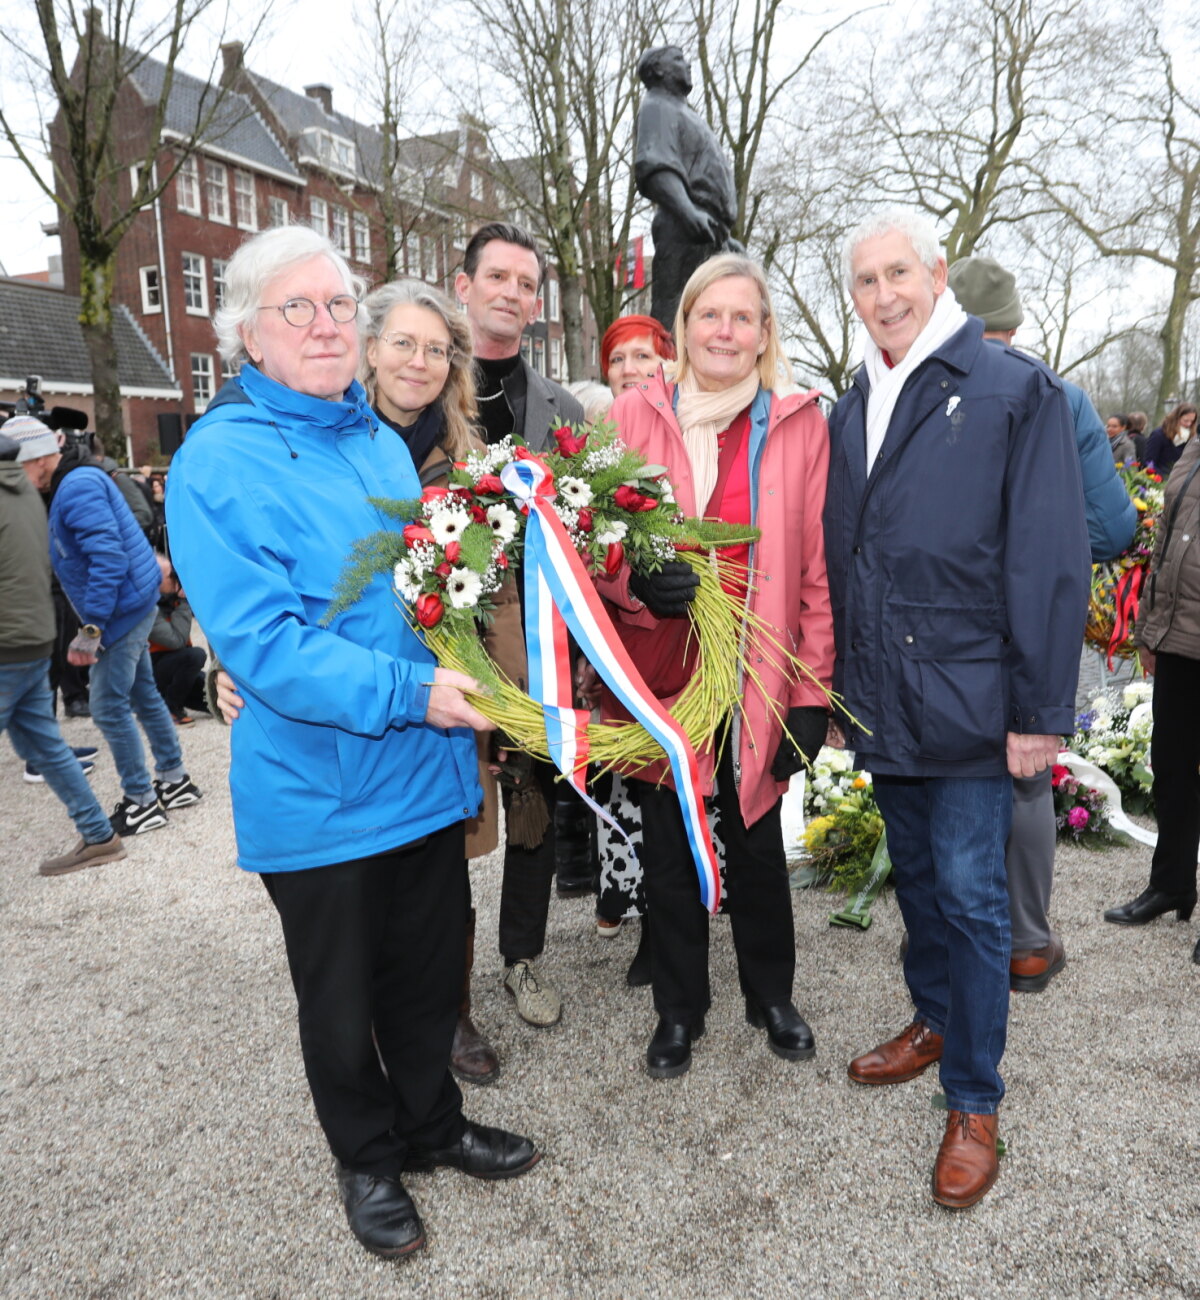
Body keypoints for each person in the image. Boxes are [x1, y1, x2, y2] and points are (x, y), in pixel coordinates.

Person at [165, 226, 540, 1261]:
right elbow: (269, 646)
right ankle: (367, 1157)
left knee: (426, 973)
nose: (328, 326)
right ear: (247, 331)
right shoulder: (214, 462)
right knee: (340, 999)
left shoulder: (374, 437)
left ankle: (431, 1124)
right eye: (301, 309)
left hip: (420, 777)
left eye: (339, 306)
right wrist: (418, 694)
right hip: (321, 792)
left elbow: (421, 589)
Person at [825, 212, 1089, 1209]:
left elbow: (1049, 554)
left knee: (978, 901)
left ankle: (974, 1097)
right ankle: (933, 1017)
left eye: (898, 272)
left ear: (938, 276)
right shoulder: (856, 403)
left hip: (978, 701)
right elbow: (852, 558)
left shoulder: (1015, 391)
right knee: (926, 883)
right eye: (864, 280)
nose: (883, 293)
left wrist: (1039, 708)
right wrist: (848, 693)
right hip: (889, 702)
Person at [600, 252, 835, 1079]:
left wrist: (811, 693)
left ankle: (771, 995)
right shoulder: (631, 417)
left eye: (744, 318)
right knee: (667, 845)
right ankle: (678, 1009)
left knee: (757, 836)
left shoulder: (801, 423)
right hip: (662, 672)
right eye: (711, 315)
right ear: (685, 328)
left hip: (759, 675)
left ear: (764, 333)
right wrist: (635, 585)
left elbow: (814, 571)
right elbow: (595, 545)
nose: (726, 331)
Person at [948, 255, 1137, 994]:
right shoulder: (1061, 395)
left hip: (949, 621)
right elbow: (1114, 525)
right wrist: (1041, 551)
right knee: (1027, 778)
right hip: (1030, 620)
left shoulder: (930, 392)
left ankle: (960, 940)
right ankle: (1026, 943)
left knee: (950, 773)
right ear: (1017, 323)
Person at [454, 222, 585, 1030]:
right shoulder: (418, 386)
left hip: (535, 631)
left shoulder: (561, 408)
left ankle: (522, 957)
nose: (511, 292)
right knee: (448, 813)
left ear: (537, 304)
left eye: (526, 283)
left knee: (533, 804)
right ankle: (450, 986)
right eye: (496, 276)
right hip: (443, 630)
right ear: (462, 284)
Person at [12, 416, 201, 837]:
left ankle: (142, 801)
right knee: (142, 692)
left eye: (12, 465)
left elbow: (109, 560)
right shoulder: (76, 481)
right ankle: (174, 780)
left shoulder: (74, 487)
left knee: (108, 706)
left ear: (37, 457)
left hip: (120, 612)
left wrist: (90, 630)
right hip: (133, 603)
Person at [0, 424, 124, 876]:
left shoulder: (50, 488)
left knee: (60, 738)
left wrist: (91, 627)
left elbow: (107, 554)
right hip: (34, 636)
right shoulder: (25, 491)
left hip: (7, 643)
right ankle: (98, 835)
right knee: (45, 745)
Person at [1104, 431, 1200, 964]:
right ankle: (1172, 885)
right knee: (1171, 769)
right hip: (1179, 640)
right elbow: (1164, 543)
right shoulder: (1192, 448)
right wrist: (1148, 629)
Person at [634, 46, 742, 329]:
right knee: (677, 311)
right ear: (658, 70)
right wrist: (688, 212)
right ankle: (668, 370)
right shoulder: (657, 107)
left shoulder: (680, 110)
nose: (688, 64)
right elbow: (655, 166)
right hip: (686, 226)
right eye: (679, 60)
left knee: (724, 308)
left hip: (709, 231)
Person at [148, 555, 208, 725]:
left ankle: (175, 699)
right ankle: (170, 708)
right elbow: (176, 640)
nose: (176, 578)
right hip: (153, 673)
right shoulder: (147, 607)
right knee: (196, 655)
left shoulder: (170, 598)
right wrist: (183, 601)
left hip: (178, 671)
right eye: (171, 575)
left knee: (215, 698)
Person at [1144, 402, 1198, 476]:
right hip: (1161, 479)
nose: (1189, 424)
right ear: (1176, 418)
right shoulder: (1159, 435)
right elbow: (1149, 462)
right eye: (1185, 421)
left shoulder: (1192, 437)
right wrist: (1162, 478)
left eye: (1192, 421)